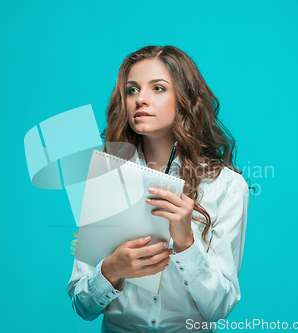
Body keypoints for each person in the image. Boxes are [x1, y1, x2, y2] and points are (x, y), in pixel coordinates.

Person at [67, 45, 249, 332]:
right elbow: (82, 305)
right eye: (132, 90)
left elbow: (219, 307)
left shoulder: (226, 186)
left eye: (158, 88)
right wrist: (111, 270)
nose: (141, 99)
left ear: (185, 99)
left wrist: (187, 243)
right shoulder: (107, 178)